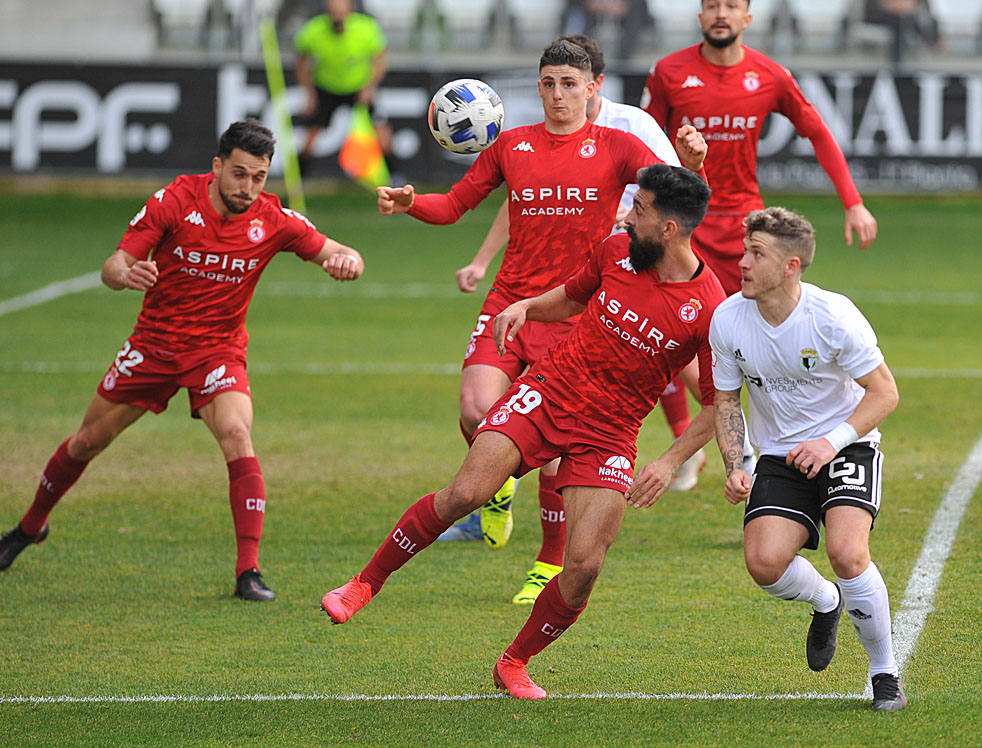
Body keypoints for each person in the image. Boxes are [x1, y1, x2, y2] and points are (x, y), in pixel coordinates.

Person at [322, 163, 727, 699]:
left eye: (641, 211)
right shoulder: (616, 252)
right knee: (468, 491)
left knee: (584, 567)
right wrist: (528, 308)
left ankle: (514, 662)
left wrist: (670, 460)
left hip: (611, 430)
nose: (628, 216)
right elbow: (575, 295)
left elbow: (720, 401)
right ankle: (363, 584)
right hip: (551, 390)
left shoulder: (709, 308)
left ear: (671, 229)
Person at [377, 38, 707, 604]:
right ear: (539, 87)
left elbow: (676, 196)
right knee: (476, 410)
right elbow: (455, 205)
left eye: (569, 85)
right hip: (511, 300)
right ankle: (499, 487)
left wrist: (694, 163)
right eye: (549, 84)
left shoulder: (617, 146)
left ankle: (547, 562)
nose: (558, 95)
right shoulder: (512, 146)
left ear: (591, 88)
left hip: (576, 309)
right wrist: (412, 203)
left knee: (557, 449)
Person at [0, 120, 366, 601]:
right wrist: (126, 273)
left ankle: (248, 573)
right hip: (153, 345)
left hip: (218, 350)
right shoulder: (174, 201)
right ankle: (28, 528)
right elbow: (113, 266)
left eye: (259, 177)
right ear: (216, 167)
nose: (248, 188)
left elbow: (338, 251)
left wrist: (348, 262)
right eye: (239, 174)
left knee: (237, 433)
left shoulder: (273, 218)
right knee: (88, 440)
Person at [641, 0, 880, 465]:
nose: (721, 13)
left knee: (754, 341)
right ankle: (710, 448)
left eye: (731, 5)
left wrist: (852, 201)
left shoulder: (770, 75)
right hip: (686, 224)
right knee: (668, 332)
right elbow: (647, 139)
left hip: (745, 232)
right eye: (712, 5)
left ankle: (773, 447)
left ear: (747, 18)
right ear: (700, 16)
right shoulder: (669, 72)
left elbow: (817, 131)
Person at [709, 206, 906, 711]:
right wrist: (737, 462)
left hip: (846, 446)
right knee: (764, 563)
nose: (743, 264)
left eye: (757, 254)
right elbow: (727, 400)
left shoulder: (833, 317)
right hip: (779, 455)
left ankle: (884, 671)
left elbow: (884, 393)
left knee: (847, 553)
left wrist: (832, 441)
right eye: (744, 251)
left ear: (792, 265)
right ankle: (827, 600)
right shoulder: (728, 319)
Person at [294, 0, 387, 174]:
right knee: (310, 137)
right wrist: (309, 93)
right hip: (326, 88)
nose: (337, 17)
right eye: (333, 12)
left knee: (382, 133)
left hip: (358, 89)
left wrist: (370, 87)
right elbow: (301, 61)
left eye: (341, 12)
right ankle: (297, 184)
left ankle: (396, 177)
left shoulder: (366, 28)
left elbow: (379, 58)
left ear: (350, 10)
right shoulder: (313, 30)